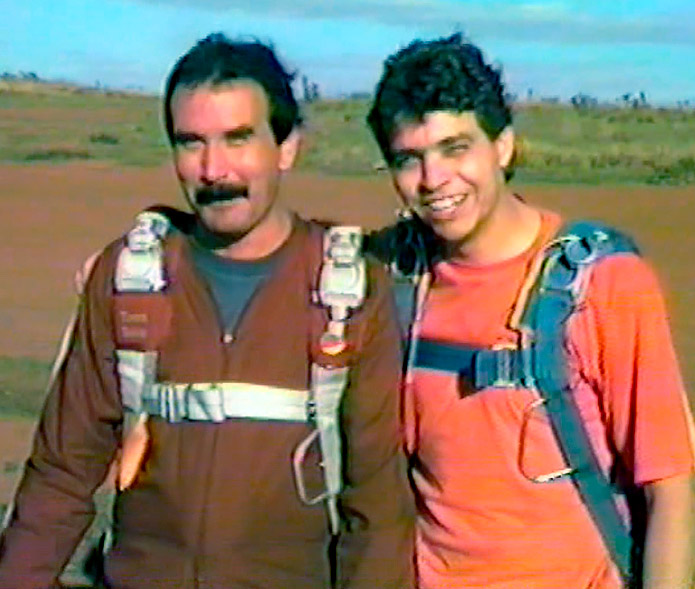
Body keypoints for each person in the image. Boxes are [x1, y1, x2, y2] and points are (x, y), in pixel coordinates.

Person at [0, 33, 414, 588]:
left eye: (238, 139)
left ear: (287, 147)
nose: (214, 170)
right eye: (191, 143)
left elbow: (378, 509)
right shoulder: (129, 281)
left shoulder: (351, 294)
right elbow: (61, 472)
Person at [365, 33, 695, 588]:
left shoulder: (602, 284)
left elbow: (671, 489)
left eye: (455, 148)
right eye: (410, 159)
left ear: (502, 147)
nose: (434, 180)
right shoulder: (392, 280)